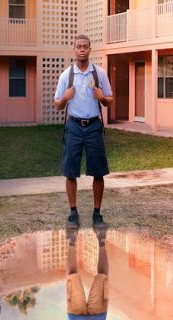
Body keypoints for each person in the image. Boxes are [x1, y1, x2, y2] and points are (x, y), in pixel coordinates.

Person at [53, 34, 114, 228]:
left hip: (94, 125)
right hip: (73, 126)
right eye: (78, 46)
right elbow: (57, 105)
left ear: (90, 49)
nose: (82, 49)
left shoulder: (99, 74)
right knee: (70, 171)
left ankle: (97, 213)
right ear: (74, 49)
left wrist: (101, 97)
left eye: (85, 46)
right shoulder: (66, 75)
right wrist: (65, 98)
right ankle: (73, 213)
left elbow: (110, 100)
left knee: (98, 171)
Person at [66, 224, 109, 320]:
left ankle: (72, 239)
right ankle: (101, 238)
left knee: (72, 277)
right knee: (103, 276)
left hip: (76, 316)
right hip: (97, 316)